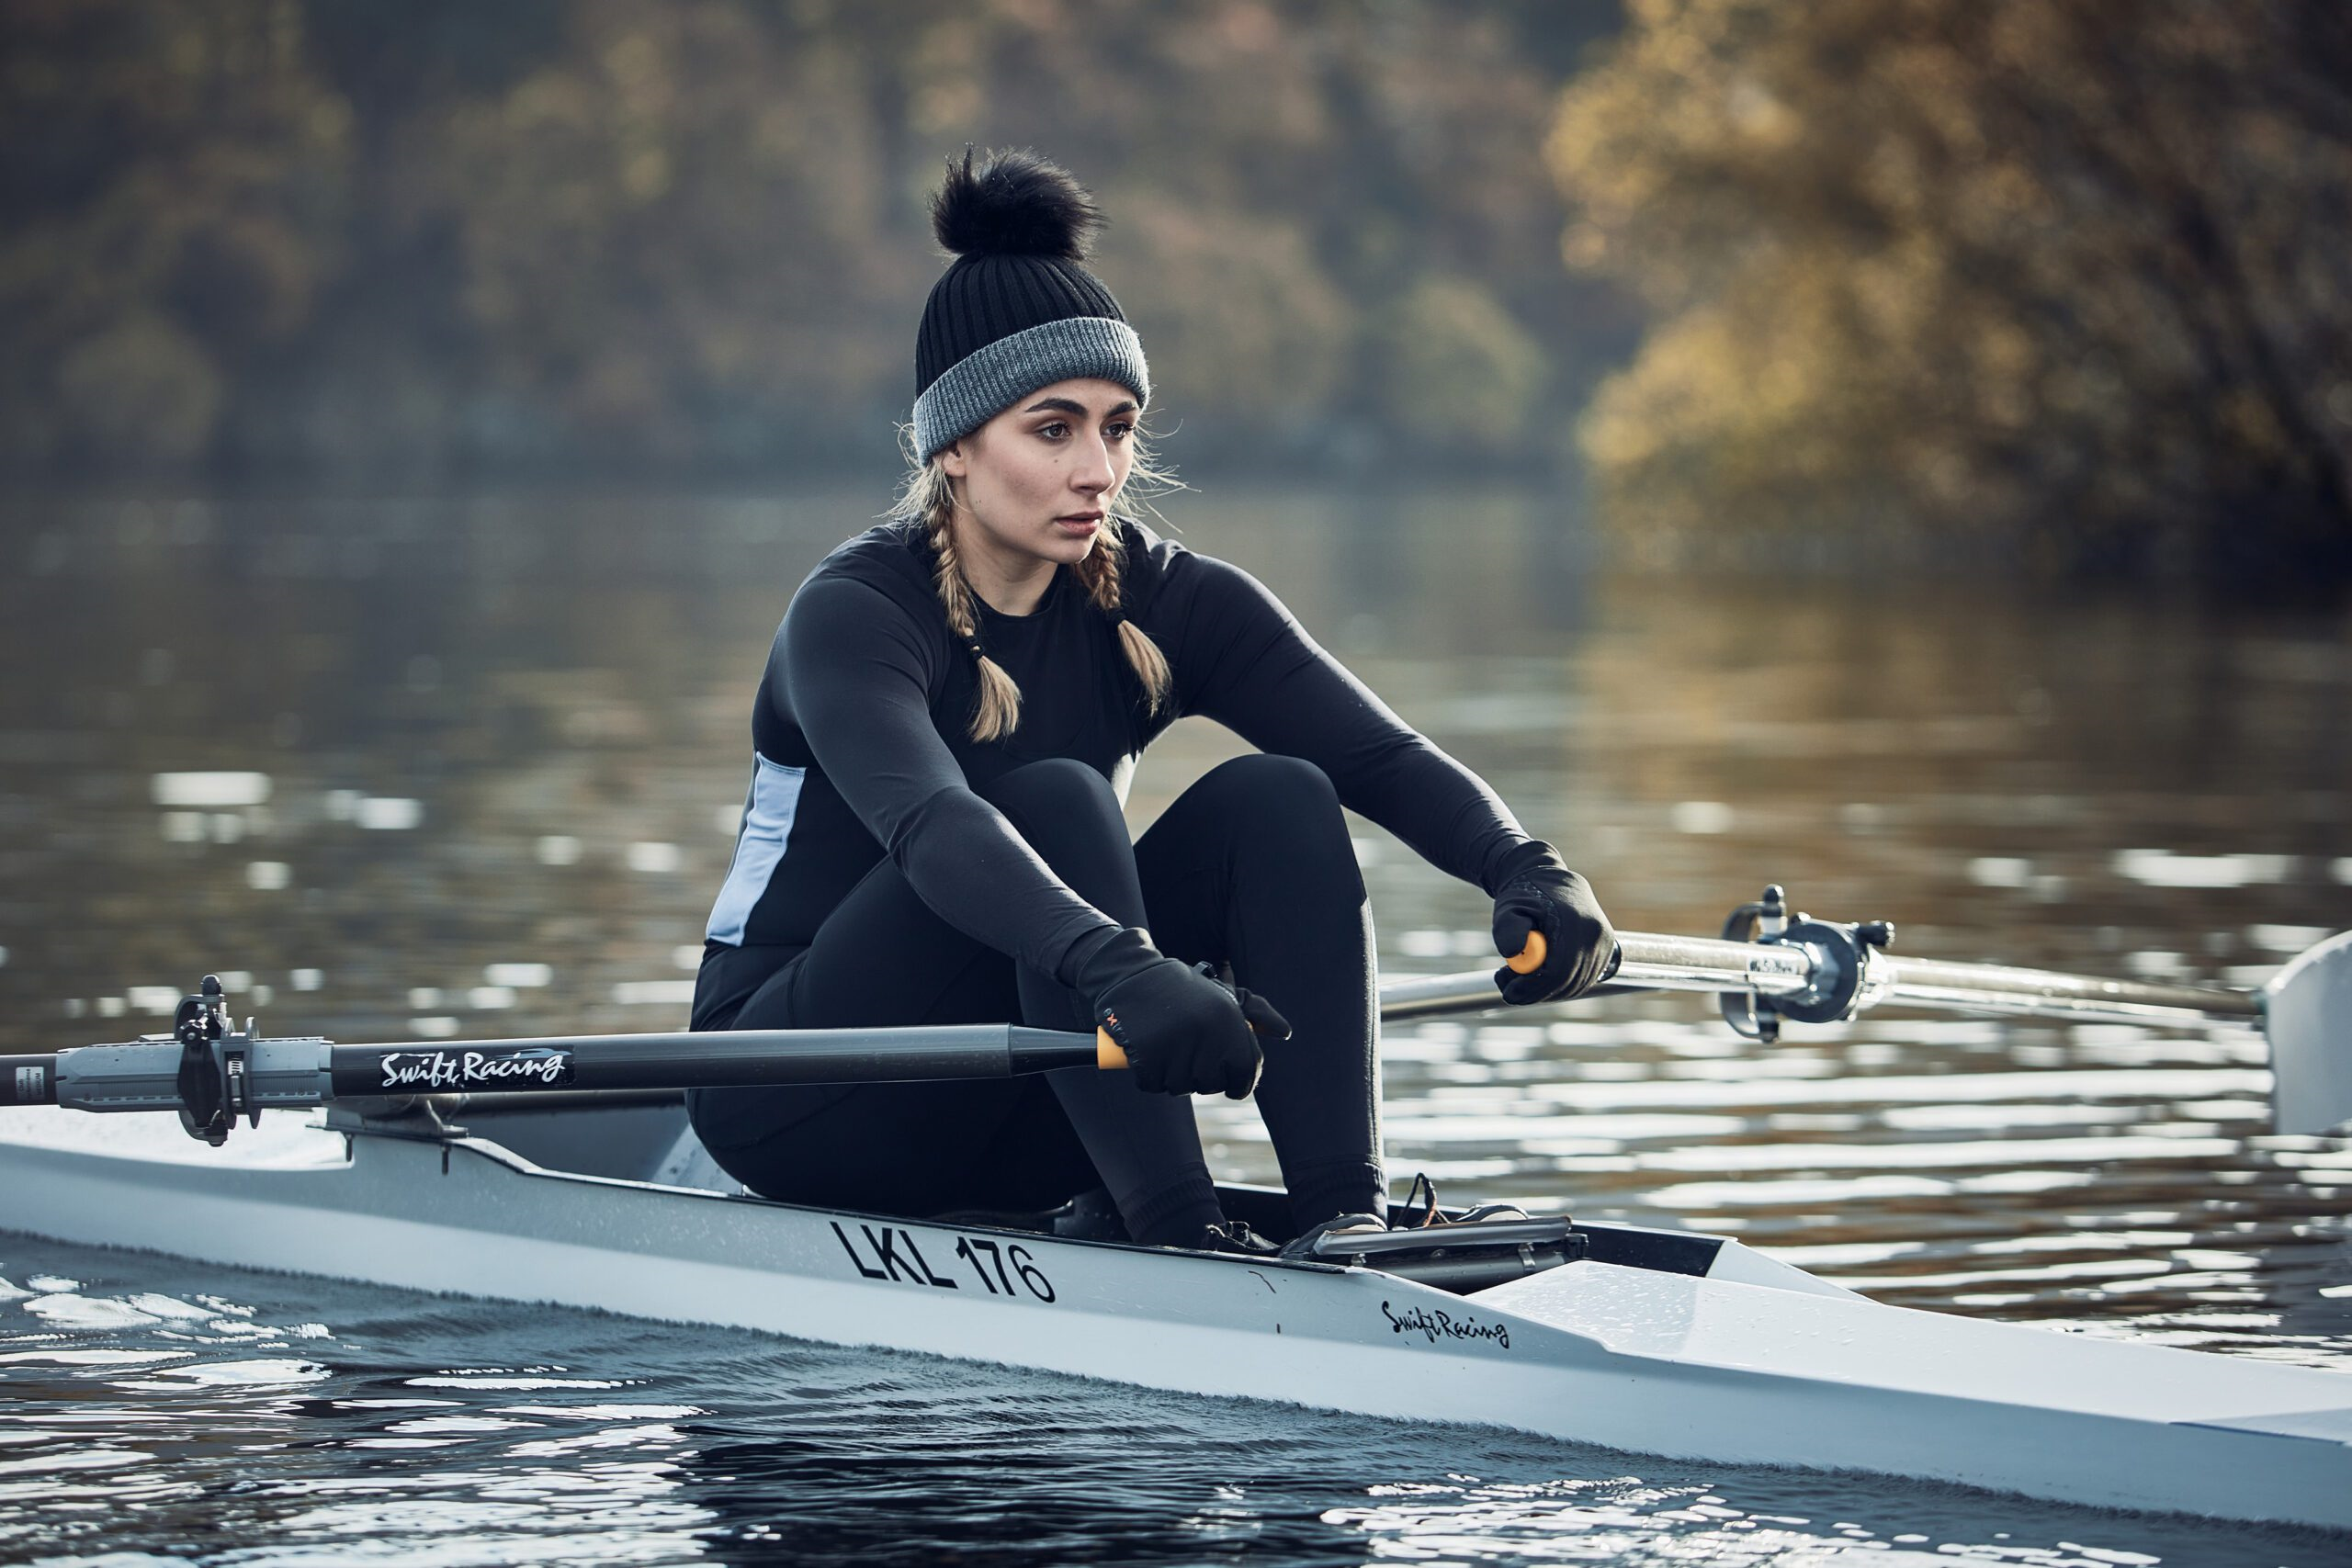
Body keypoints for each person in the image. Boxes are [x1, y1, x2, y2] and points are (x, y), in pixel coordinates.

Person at [686, 147, 1614, 1254]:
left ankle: (1343, 1220)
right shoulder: (853, 614)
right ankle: (1178, 1236)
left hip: (1032, 1087)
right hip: (803, 1094)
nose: (1098, 470)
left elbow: (1376, 758)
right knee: (1059, 803)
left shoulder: (1165, 599)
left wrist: (1525, 865)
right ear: (955, 449)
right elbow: (937, 830)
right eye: (1053, 428)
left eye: (1118, 427)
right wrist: (1125, 968)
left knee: (1279, 799)